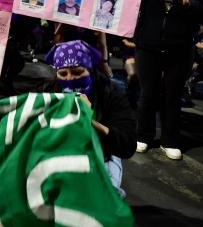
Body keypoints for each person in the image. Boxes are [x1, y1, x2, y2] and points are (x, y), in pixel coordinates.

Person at [134, 0, 203, 160]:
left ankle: (169, 140)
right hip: (148, 47)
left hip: (180, 49)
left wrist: (191, 3)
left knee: (172, 96)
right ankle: (143, 136)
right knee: (147, 93)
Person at [45, 40, 136, 198]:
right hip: (61, 150)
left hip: (102, 153)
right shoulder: (50, 91)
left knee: (103, 195)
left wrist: (88, 121)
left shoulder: (111, 93)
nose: (70, 79)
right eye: (63, 74)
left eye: (78, 72)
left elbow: (127, 145)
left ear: (91, 70)